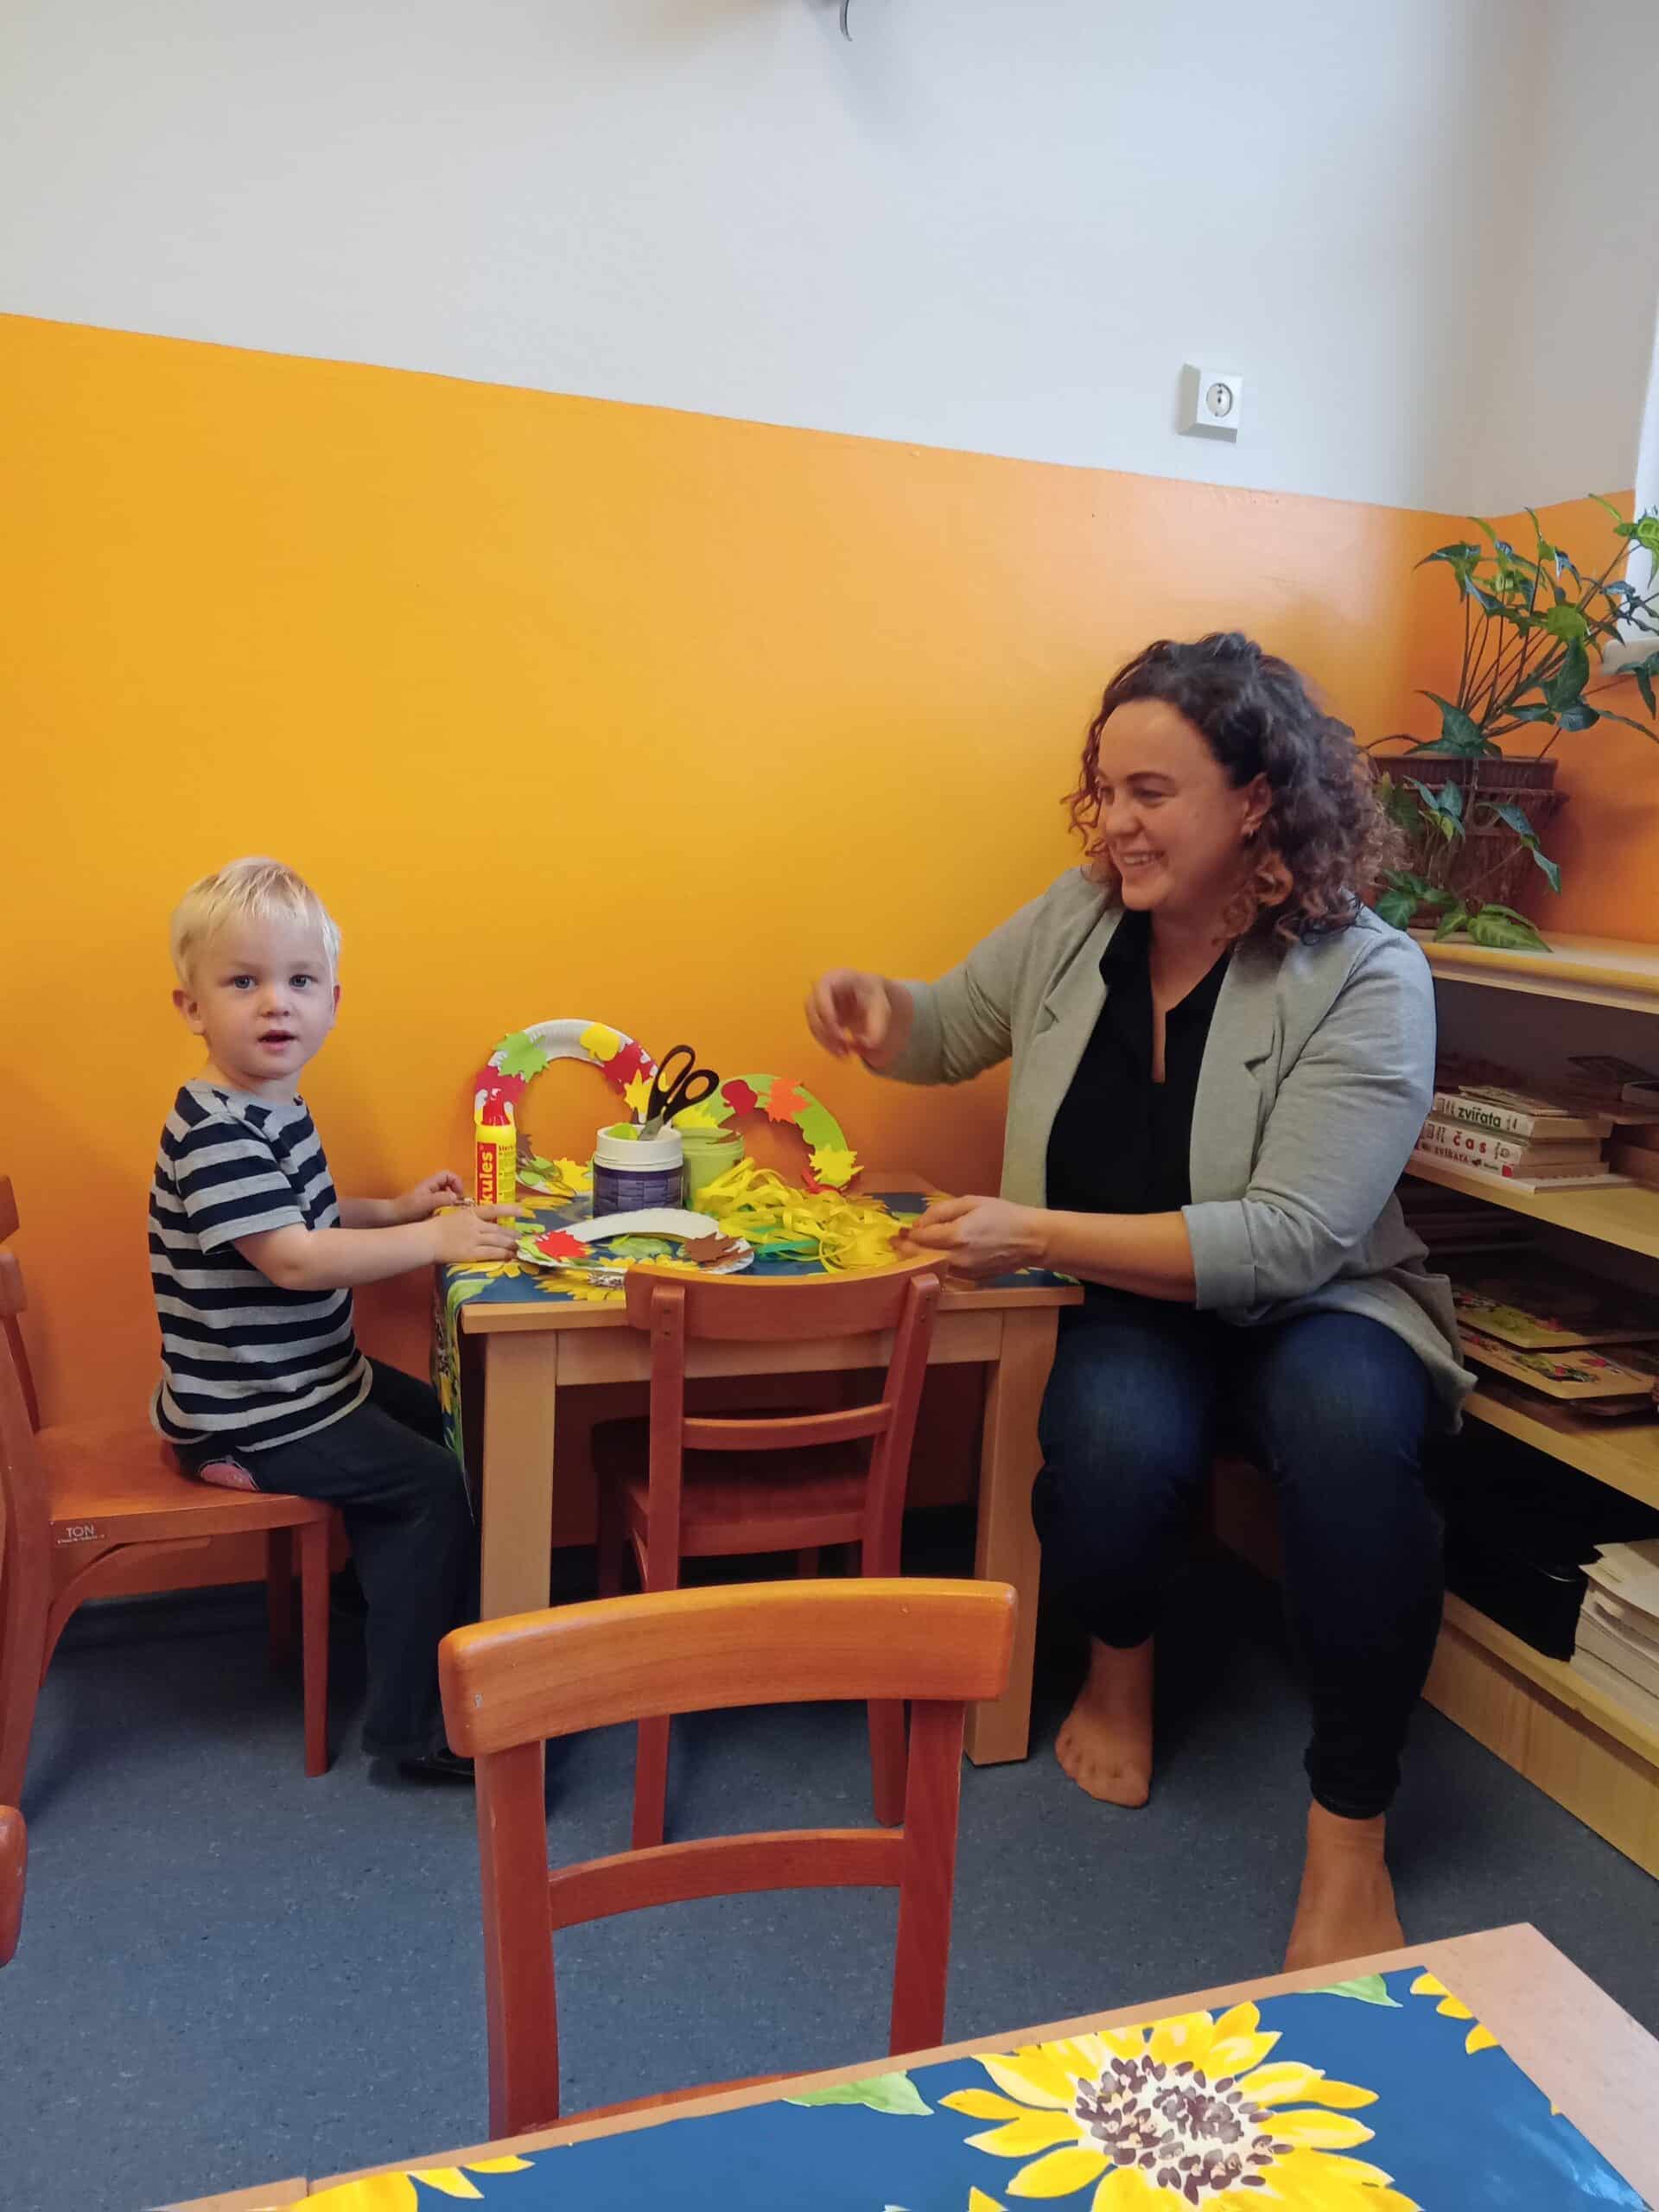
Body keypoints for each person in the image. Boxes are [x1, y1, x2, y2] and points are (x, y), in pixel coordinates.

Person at [805, 632, 1471, 1969]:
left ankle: (1351, 1827)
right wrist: (880, 1010)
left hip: (1322, 1304)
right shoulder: (1079, 916)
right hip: (1124, 1294)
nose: (1115, 822)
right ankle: (1122, 1665)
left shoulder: (1368, 973)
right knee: (1110, 1447)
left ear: (1257, 801)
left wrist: (1030, 1231)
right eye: (1106, 790)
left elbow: (1290, 1240)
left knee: (1351, 1438)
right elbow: (953, 1024)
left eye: (1151, 793)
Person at [149, 857, 523, 1783]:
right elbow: (293, 1257)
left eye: (300, 981)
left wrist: (393, 1210)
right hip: (253, 1410)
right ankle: (411, 1730)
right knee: (430, 1487)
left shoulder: (268, 1104)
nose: (276, 1003)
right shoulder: (216, 1131)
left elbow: (305, 1215)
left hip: (312, 1380)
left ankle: (382, 1593)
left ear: (332, 1001)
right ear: (192, 1007)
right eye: (244, 982)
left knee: (450, 1425)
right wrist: (432, 1240)